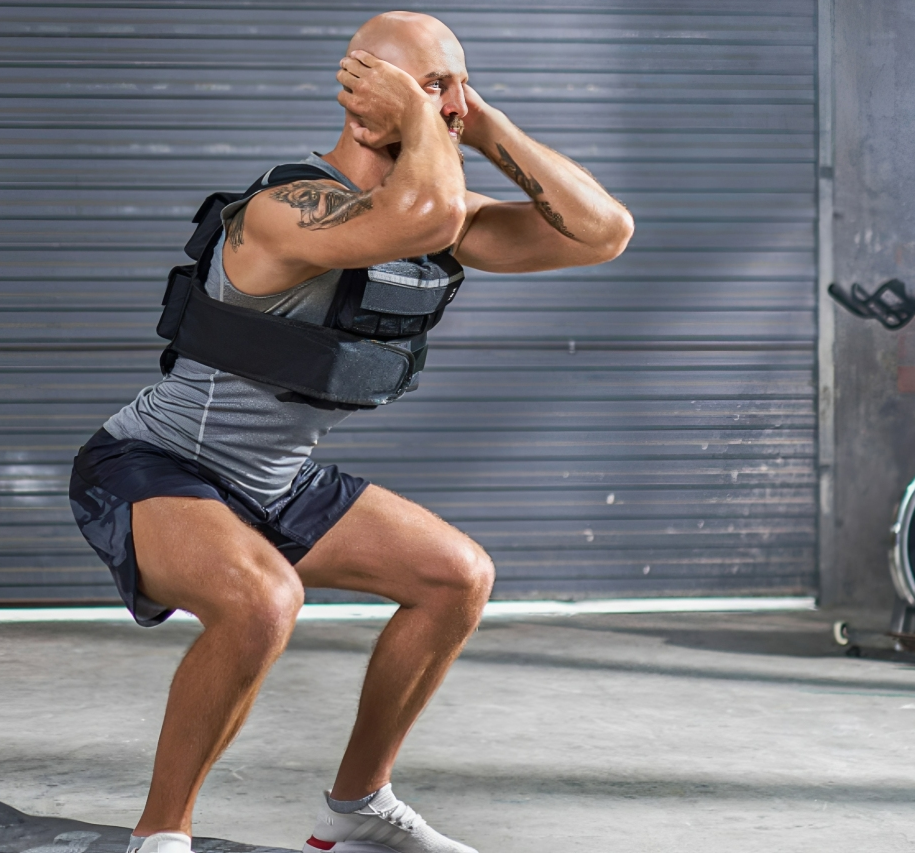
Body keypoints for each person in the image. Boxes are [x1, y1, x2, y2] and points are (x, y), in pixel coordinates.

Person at [68, 11, 634, 853]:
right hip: (151, 463)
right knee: (263, 601)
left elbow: (603, 232)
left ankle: (356, 806)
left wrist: (481, 124)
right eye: (422, 84)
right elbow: (421, 217)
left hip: (277, 482)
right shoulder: (286, 207)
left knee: (457, 577)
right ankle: (160, 835)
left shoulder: (444, 207)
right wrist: (414, 114)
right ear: (362, 87)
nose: (442, 104)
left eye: (451, 86)